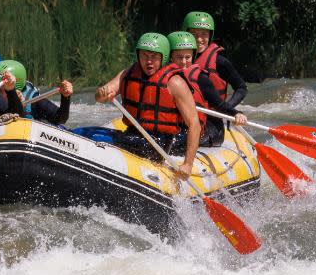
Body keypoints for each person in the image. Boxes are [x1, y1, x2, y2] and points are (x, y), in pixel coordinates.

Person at [97, 32, 203, 179]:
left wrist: (188, 164)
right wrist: (102, 93)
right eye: (144, 56)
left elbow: (194, 124)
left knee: (99, 140)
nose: (149, 62)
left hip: (157, 145)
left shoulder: (175, 83)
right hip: (132, 135)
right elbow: (100, 97)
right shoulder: (127, 74)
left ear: (163, 57)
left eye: (154, 57)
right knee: (88, 133)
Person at [180, 11, 248, 143]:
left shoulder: (219, 62)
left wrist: (227, 109)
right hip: (184, 119)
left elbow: (241, 88)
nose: (199, 39)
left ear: (210, 36)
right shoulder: (177, 59)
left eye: (204, 34)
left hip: (211, 123)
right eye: (194, 34)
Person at [0, 59, 74, 125]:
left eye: (0, 90)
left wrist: (65, 97)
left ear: (15, 89)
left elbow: (60, 119)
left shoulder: (35, 101)